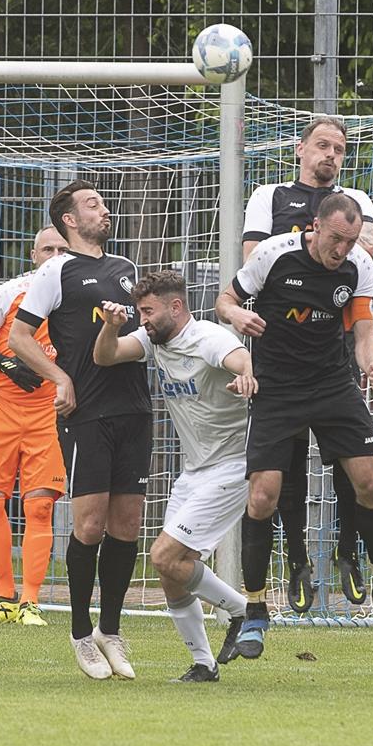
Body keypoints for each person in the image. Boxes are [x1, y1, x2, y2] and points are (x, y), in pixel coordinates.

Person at [216, 192, 373, 660]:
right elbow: (225, 300)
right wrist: (238, 314)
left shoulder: (359, 264)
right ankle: (256, 610)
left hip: (331, 385)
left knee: (370, 485)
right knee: (263, 495)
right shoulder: (272, 254)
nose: (341, 249)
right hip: (277, 388)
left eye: (350, 240)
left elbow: (364, 331)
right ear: (315, 228)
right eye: (336, 239)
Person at [242, 115, 373, 617]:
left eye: (339, 148)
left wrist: (369, 359)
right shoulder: (269, 195)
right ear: (300, 149)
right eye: (322, 145)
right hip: (278, 364)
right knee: (280, 476)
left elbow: (358, 261)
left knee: (358, 472)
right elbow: (255, 263)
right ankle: (297, 562)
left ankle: (350, 554)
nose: (330, 155)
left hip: (331, 356)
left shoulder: (357, 205)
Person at [8, 180, 152, 680]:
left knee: (127, 525)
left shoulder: (127, 271)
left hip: (134, 408)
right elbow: (18, 336)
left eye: (103, 202)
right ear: (69, 219)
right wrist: (60, 377)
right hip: (85, 411)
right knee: (89, 525)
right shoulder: (56, 270)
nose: (103, 209)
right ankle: (80, 634)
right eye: (92, 204)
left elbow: (147, 331)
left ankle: (111, 632)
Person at [93, 270, 253, 682]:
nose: (141, 320)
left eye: (147, 311)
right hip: (194, 471)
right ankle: (204, 664)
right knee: (170, 571)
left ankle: (243, 610)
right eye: (139, 312)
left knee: (162, 555)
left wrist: (246, 375)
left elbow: (240, 357)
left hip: (233, 467)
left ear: (176, 306)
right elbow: (105, 356)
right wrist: (111, 328)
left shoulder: (209, 339)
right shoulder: (153, 340)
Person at [0, 226, 69, 626]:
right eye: (47, 249)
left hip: (47, 413)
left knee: (40, 506)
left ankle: (31, 603)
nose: (55, 255)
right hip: (1, 406)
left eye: (62, 249)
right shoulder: (11, 292)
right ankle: (3, 599)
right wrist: (3, 362)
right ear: (33, 256)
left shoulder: (78, 295)